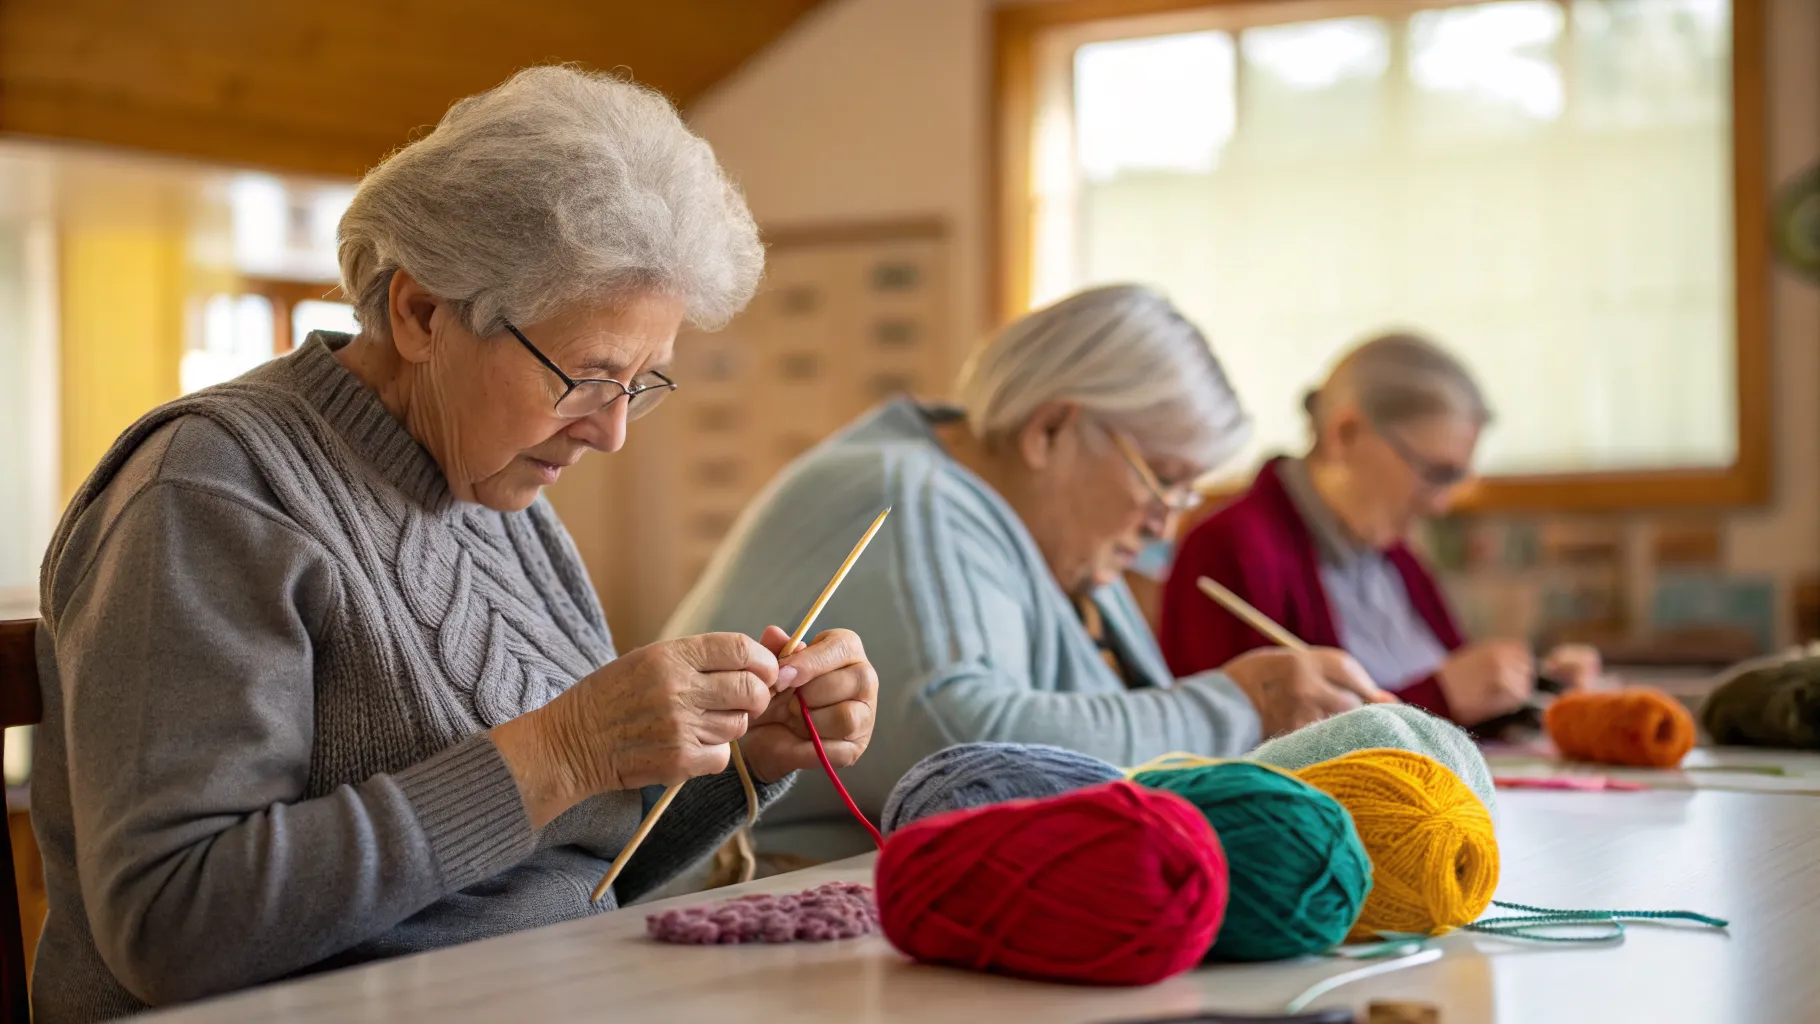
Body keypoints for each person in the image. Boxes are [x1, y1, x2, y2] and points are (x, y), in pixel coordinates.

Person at [31, 66, 880, 1022]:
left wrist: (751, 761)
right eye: (588, 376)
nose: (611, 433)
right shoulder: (212, 490)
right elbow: (172, 930)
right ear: (422, 312)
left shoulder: (500, 493)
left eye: (642, 382)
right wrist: (559, 750)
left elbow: (574, 875)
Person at [664, 285, 1385, 860]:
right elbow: (968, 755)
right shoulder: (914, 495)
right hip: (744, 933)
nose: (1167, 523)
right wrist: (1244, 704)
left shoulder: (1053, 542)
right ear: (1050, 431)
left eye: (1187, 494)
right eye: (1162, 481)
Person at [1160, 332, 1600, 728]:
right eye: (1436, 473)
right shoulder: (1228, 549)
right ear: (1345, 434)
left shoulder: (1393, 555)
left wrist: (1536, 690)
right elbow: (1239, 746)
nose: (1441, 503)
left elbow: (1457, 702)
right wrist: (1441, 697)